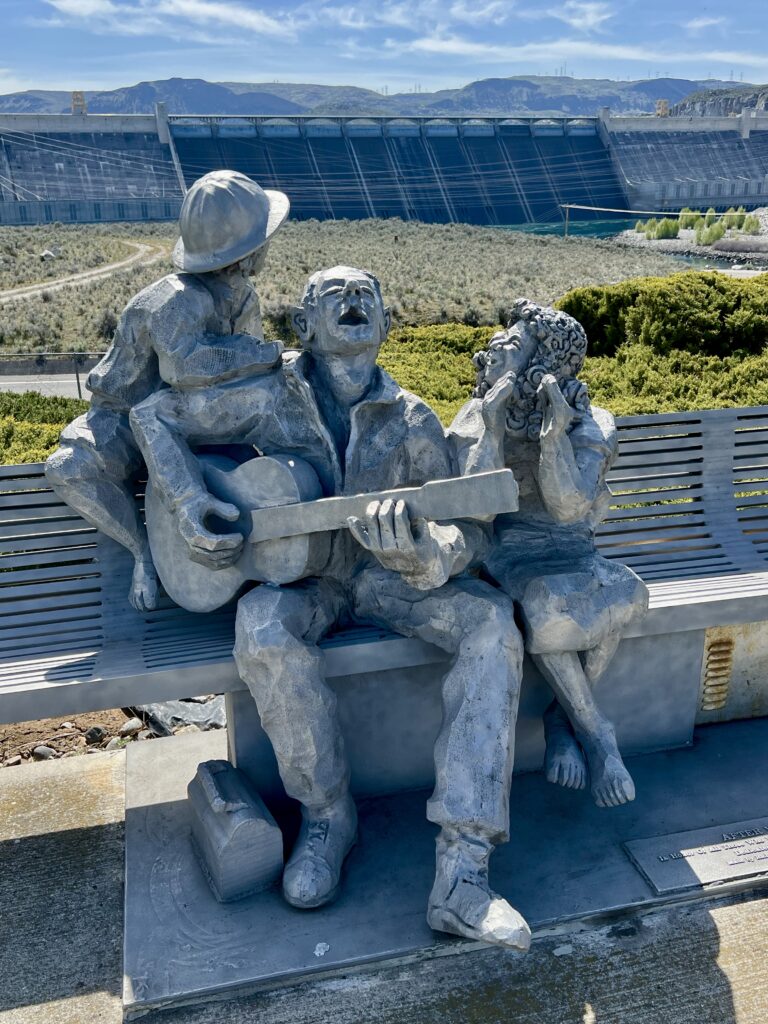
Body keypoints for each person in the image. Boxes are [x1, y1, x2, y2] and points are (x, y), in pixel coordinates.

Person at [129, 266, 531, 951]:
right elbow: (152, 415)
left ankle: (464, 873)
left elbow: (470, 524)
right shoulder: (270, 398)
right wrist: (190, 499)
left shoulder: (411, 419)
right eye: (333, 296)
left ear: (385, 322)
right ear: (303, 327)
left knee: (492, 624)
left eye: (367, 295)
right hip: (308, 581)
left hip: (384, 579)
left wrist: (429, 556)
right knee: (261, 625)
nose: (354, 303)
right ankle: (325, 815)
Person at [45, 170, 289, 611]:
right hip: (122, 420)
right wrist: (260, 352)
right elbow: (185, 367)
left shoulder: (242, 297)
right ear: (249, 251)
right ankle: (144, 553)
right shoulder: (173, 300)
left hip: (191, 423)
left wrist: (260, 363)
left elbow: (240, 373)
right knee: (68, 467)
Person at [450, 299, 648, 809]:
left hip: (572, 548)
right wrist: (493, 429)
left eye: (512, 344)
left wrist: (553, 435)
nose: (494, 345)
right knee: (548, 609)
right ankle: (599, 736)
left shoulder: (591, 422)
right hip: (508, 554)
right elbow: (473, 510)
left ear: (542, 369)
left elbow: (568, 508)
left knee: (624, 594)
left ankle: (562, 720)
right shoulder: (479, 413)